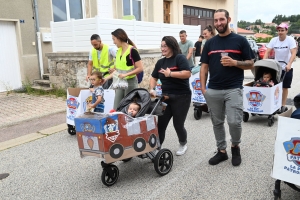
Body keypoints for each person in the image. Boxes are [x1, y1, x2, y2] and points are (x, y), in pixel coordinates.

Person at [200, 9, 254, 166]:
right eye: (216, 21)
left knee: (234, 122)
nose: (218, 23)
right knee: (217, 122)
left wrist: (235, 63)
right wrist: (204, 90)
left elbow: (251, 63)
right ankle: (222, 151)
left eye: (221, 20)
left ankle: (235, 146)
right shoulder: (210, 43)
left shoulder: (240, 41)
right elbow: (204, 67)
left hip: (233, 88)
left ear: (228, 19)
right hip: (214, 89)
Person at [149, 36, 191, 156]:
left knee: (178, 124)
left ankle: (183, 144)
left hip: (182, 96)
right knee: (161, 124)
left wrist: (170, 73)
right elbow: (153, 77)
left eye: (165, 46)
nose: (162, 48)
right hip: (165, 97)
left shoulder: (180, 58)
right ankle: (158, 147)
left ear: (171, 46)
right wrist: (152, 89)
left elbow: (187, 73)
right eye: (161, 46)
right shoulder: (160, 62)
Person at [105, 28, 143, 109]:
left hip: (130, 82)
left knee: (128, 108)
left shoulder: (132, 51)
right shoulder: (118, 51)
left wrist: (126, 74)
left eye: (114, 39)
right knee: (116, 106)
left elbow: (140, 68)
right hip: (120, 82)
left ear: (119, 38)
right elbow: (118, 70)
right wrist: (106, 78)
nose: (113, 42)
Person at [263, 23, 297, 113]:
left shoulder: (290, 40)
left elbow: (293, 53)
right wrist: (263, 63)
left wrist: (289, 64)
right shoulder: (274, 40)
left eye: (282, 30)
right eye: (279, 30)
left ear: (286, 31)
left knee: (285, 87)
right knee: (274, 85)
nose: (280, 32)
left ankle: (283, 105)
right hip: (277, 67)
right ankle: (274, 103)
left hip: (287, 67)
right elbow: (267, 52)